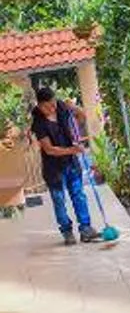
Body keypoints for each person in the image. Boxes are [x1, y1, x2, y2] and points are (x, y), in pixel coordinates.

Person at [28, 83, 94, 244]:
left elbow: (82, 117)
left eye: (53, 104)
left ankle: (86, 229)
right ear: (39, 105)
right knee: (59, 201)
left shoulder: (63, 109)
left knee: (79, 196)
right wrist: (73, 150)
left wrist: (74, 107)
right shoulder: (39, 123)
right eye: (47, 107)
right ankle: (67, 232)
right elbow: (49, 150)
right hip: (54, 169)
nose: (52, 109)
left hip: (71, 164)